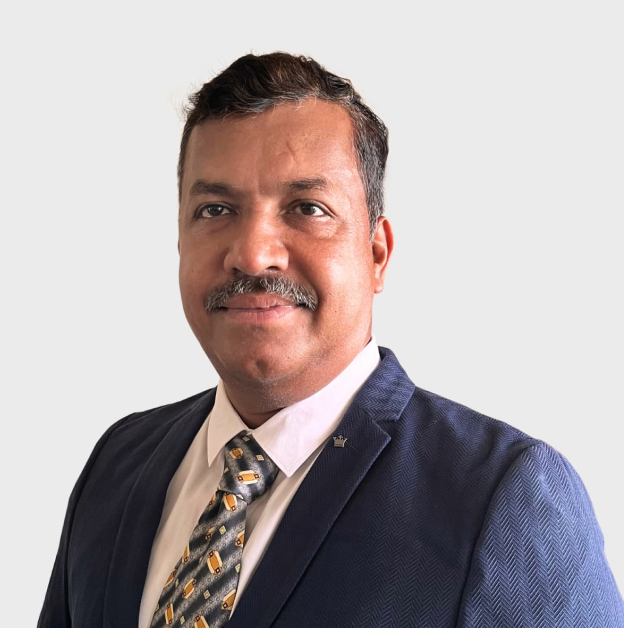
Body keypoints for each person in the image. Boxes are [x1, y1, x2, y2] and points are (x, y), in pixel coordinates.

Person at [38, 52, 623, 628]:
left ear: (377, 253)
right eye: (215, 209)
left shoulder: (502, 499)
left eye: (307, 208)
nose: (252, 254)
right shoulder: (117, 464)